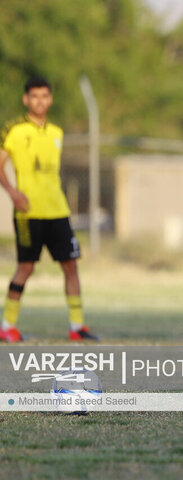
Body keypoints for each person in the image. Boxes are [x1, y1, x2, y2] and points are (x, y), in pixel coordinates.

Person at [0, 77, 98, 342]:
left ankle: (77, 327)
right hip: (28, 212)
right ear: (26, 99)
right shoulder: (13, 130)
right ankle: (7, 325)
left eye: (44, 96)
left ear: (50, 99)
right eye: (34, 96)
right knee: (26, 267)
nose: (40, 101)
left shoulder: (56, 132)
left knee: (70, 265)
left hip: (57, 210)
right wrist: (12, 192)